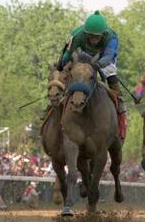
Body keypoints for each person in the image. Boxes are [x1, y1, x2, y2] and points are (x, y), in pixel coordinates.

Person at [54, 10, 127, 138]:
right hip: (83, 57)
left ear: (103, 34)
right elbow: (67, 53)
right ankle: (60, 101)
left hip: (104, 59)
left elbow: (109, 56)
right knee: (69, 71)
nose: (93, 39)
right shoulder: (77, 34)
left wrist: (98, 64)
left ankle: (120, 106)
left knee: (110, 74)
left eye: (97, 36)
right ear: (85, 32)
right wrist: (62, 64)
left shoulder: (112, 38)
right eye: (90, 36)